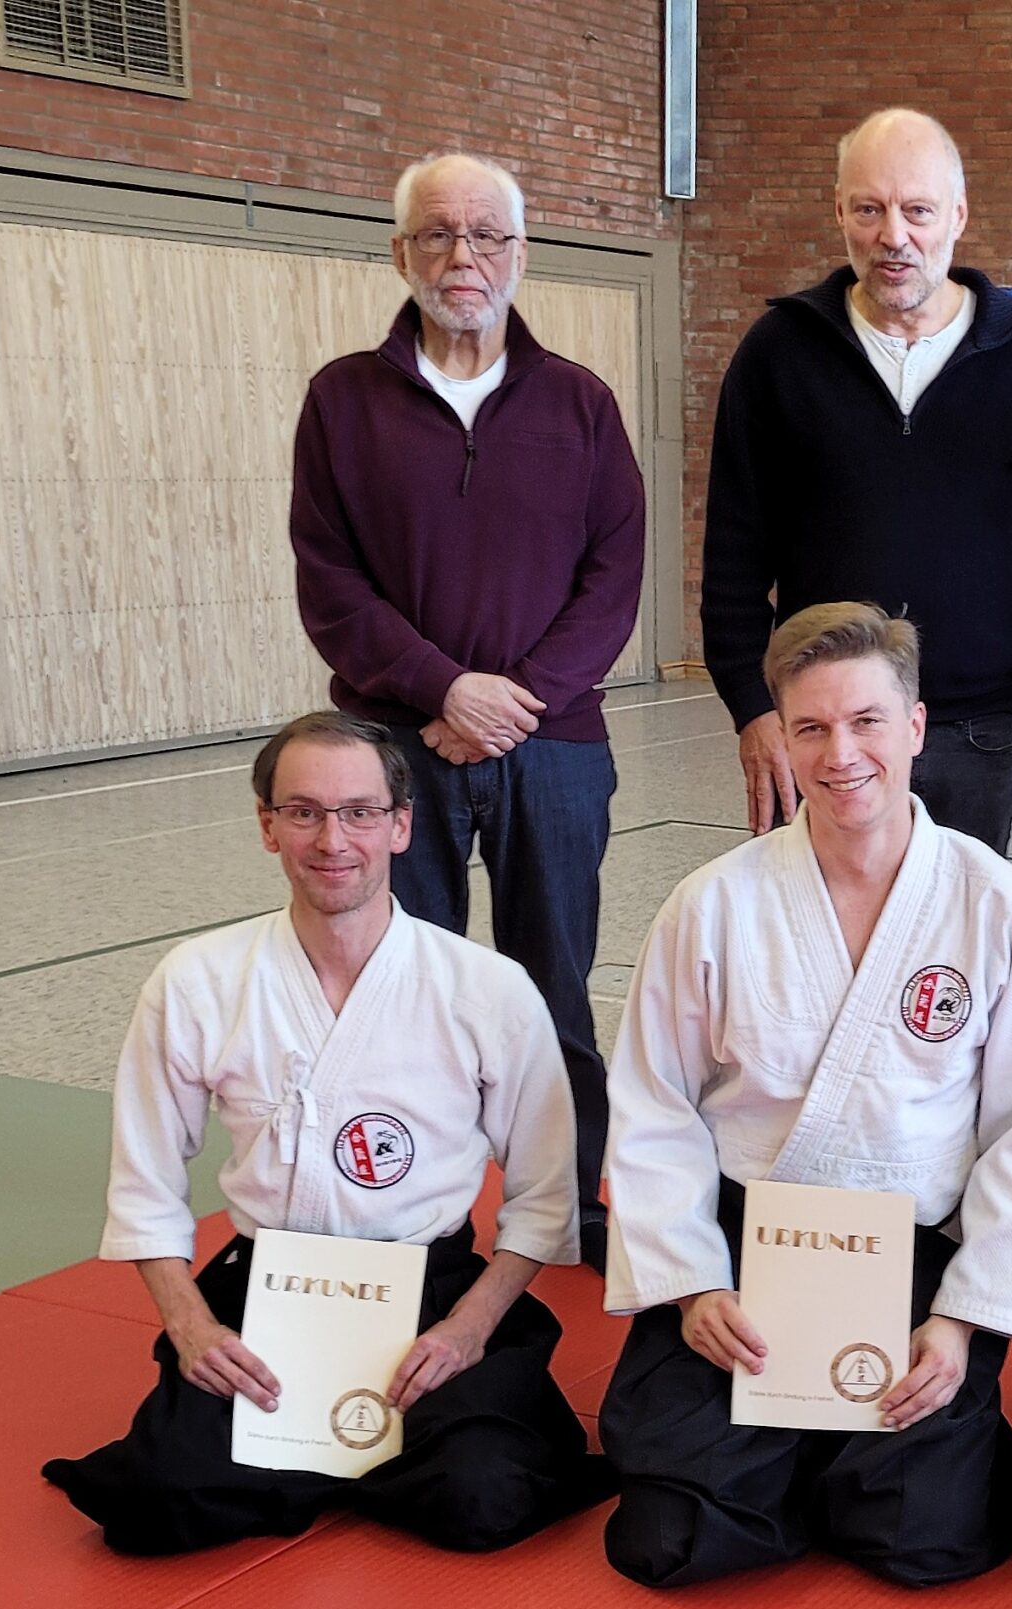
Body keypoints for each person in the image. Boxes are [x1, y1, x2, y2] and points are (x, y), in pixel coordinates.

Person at [43, 713, 610, 1555]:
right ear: (267, 825)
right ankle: (358, 1455)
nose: (332, 839)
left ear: (401, 824)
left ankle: (314, 1458)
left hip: (429, 1289)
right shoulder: (198, 980)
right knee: (155, 1501)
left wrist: (469, 1326)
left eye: (359, 811)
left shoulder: (485, 988)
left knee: (484, 1495)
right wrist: (194, 1327)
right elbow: (145, 1185)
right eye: (304, 811)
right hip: (270, 1292)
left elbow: (544, 1194)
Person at [599, 602, 1012, 1590]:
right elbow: (653, 1104)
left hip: (914, 1259)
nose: (841, 753)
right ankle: (797, 1452)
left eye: (866, 722)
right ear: (779, 734)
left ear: (915, 726)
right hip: (747, 1255)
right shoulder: (714, 903)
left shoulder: (996, 906)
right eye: (810, 727)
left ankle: (852, 1453)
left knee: (924, 1537)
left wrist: (963, 1319)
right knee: (670, 1536)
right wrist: (692, 1283)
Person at [290, 149, 645, 1263]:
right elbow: (329, 583)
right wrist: (442, 690)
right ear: (401, 252)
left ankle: (570, 1208)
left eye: (488, 235)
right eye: (439, 234)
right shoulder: (342, 401)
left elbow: (615, 576)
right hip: (397, 750)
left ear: (520, 254)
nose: (464, 257)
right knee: (400, 989)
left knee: (555, 991)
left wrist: (512, 703)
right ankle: (421, 1214)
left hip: (555, 749)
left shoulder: (581, 404)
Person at [699, 107, 1012, 855]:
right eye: (869, 209)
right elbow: (734, 554)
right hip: (824, 723)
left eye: (917, 210)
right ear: (839, 211)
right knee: (817, 925)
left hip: (978, 725)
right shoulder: (778, 355)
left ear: (958, 215)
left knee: (957, 927)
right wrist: (752, 705)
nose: (894, 235)